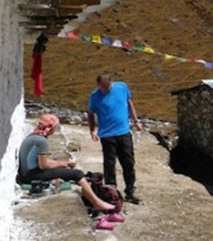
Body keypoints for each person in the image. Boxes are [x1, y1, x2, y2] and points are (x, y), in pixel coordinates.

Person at [18, 114, 116, 212]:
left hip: (26, 173)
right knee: (77, 174)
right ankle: (97, 203)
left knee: (65, 171)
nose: (56, 129)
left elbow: (42, 161)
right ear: (50, 128)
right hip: (31, 176)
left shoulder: (34, 136)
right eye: (55, 127)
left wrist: (63, 163)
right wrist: (61, 164)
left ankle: (90, 199)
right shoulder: (42, 141)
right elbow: (44, 165)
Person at [87, 74, 143, 204]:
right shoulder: (95, 96)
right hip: (107, 135)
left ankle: (130, 191)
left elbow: (129, 103)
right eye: (102, 88)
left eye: (106, 88)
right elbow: (90, 113)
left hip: (123, 133)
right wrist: (92, 130)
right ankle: (112, 192)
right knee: (109, 164)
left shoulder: (122, 87)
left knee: (128, 163)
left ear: (110, 83)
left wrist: (136, 120)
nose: (104, 90)